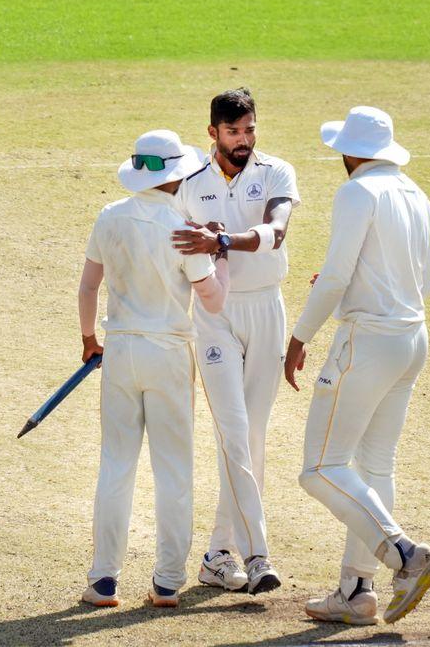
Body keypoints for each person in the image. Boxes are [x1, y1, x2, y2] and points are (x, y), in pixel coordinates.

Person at [286, 106, 430, 625]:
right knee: (375, 467)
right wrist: (354, 289)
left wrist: (299, 337)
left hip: (368, 342)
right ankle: (357, 593)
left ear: (352, 151)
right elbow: (423, 284)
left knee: (321, 468)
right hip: (410, 340)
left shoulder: (358, 191)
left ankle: (404, 555)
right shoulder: (417, 195)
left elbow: (334, 277)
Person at [78, 130, 230, 609]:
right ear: (177, 174)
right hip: (167, 352)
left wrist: (89, 340)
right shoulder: (184, 227)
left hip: (120, 350)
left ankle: (103, 579)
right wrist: (219, 256)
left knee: (115, 466)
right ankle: (167, 580)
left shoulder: (110, 216)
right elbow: (214, 299)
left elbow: (88, 288)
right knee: (173, 469)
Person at [171, 88, 298, 594]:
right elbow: (175, 248)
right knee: (234, 430)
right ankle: (254, 555)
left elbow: (278, 229)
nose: (244, 140)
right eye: (233, 132)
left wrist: (221, 239)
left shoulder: (276, 171)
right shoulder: (189, 183)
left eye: (249, 130)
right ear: (213, 133)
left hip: (267, 305)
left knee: (254, 434)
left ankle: (218, 554)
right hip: (214, 313)